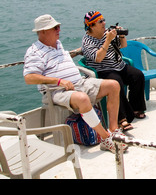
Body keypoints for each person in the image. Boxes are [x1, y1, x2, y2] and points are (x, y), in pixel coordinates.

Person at [23, 14, 125, 153]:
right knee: (82, 98)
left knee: (113, 85)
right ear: (42, 32)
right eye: (55, 28)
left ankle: (114, 130)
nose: (59, 29)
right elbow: (29, 77)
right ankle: (105, 138)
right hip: (57, 90)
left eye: (58, 26)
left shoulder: (58, 44)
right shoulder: (34, 52)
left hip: (78, 83)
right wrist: (58, 81)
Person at [82, 11, 146, 131]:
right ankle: (122, 118)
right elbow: (98, 58)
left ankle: (136, 108)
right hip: (103, 70)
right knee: (116, 83)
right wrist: (107, 40)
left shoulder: (107, 32)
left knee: (138, 75)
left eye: (103, 20)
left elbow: (123, 45)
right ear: (91, 26)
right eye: (100, 22)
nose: (104, 23)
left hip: (119, 66)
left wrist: (121, 36)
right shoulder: (87, 41)